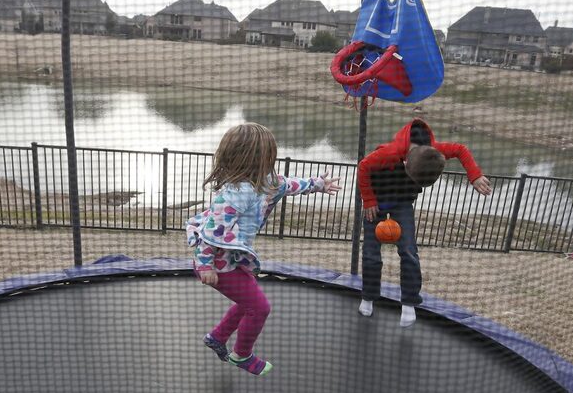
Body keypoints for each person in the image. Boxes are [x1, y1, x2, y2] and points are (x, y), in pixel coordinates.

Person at [186, 123, 341, 376]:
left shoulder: (268, 182)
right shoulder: (236, 193)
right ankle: (241, 355)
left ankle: (217, 337)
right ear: (257, 157)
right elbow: (212, 231)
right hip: (217, 262)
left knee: (247, 302)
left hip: (233, 259)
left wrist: (317, 184)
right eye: (269, 153)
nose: (273, 158)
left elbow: (291, 184)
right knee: (260, 307)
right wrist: (204, 265)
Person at [357, 118, 492, 327]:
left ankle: (409, 303)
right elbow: (363, 167)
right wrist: (369, 200)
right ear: (404, 163)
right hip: (376, 202)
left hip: (402, 203)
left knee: (409, 252)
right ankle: (368, 297)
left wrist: (474, 175)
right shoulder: (387, 154)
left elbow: (460, 149)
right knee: (371, 253)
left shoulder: (434, 150)